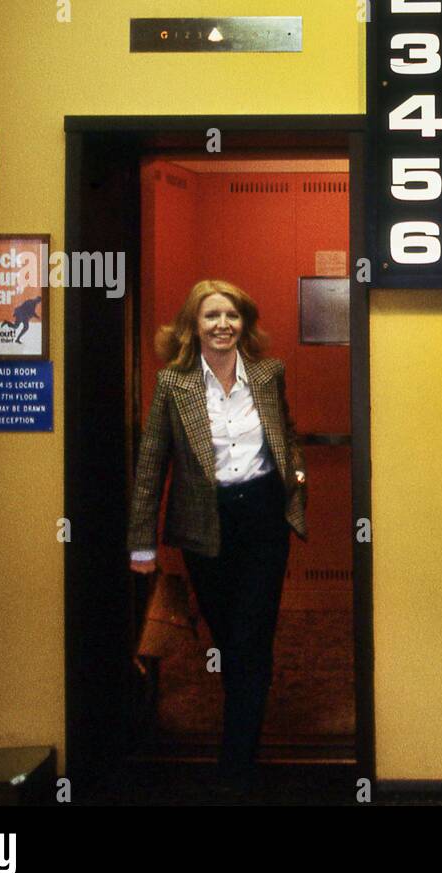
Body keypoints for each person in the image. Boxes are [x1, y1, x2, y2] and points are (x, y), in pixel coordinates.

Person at [126, 279, 307, 795]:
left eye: (231, 315)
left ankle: (236, 768)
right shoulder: (173, 384)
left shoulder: (269, 374)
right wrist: (142, 544)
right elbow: (150, 464)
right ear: (193, 325)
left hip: (263, 521)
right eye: (211, 316)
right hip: (204, 526)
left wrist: (296, 476)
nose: (222, 325)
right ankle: (243, 720)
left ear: (244, 323)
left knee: (251, 637)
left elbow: (286, 432)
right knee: (229, 638)